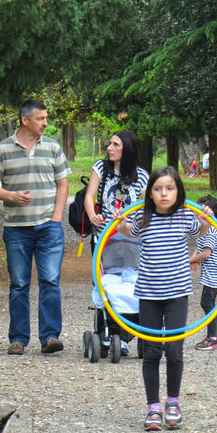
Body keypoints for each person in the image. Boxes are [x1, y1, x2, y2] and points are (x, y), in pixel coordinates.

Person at [114, 166, 213, 431]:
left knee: (174, 350)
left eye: (169, 188)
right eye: (157, 189)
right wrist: (119, 222)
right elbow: (127, 231)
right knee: (152, 351)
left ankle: (173, 403)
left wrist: (205, 218)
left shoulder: (183, 216)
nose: (164, 193)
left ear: (178, 191)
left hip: (177, 294)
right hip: (148, 293)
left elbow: (202, 231)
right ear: (150, 194)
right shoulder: (143, 218)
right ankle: (153, 408)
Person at [0, 100, 70, 356]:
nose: (45, 123)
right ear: (25, 120)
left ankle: (50, 336)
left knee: (50, 281)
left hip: (48, 227)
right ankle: (18, 339)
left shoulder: (52, 146)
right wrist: (11, 196)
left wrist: (56, 218)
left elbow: (63, 184)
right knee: (19, 284)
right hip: (17, 229)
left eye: (46, 118)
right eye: (41, 118)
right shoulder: (2, 150)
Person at [83, 129, 149, 356]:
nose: (109, 148)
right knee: (106, 285)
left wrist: (134, 228)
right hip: (104, 237)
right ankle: (108, 333)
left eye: (115, 145)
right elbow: (89, 196)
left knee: (134, 284)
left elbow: (145, 209)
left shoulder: (141, 176)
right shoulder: (101, 168)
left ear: (127, 149)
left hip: (131, 238)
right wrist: (93, 214)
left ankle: (131, 332)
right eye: (110, 144)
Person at [189, 195, 217, 351]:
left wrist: (188, 261)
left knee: (207, 304)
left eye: (199, 210)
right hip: (210, 272)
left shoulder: (211, 230)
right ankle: (212, 337)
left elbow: (206, 253)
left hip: (215, 272)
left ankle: (213, 338)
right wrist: (193, 259)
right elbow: (199, 247)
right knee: (207, 303)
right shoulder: (204, 228)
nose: (196, 213)